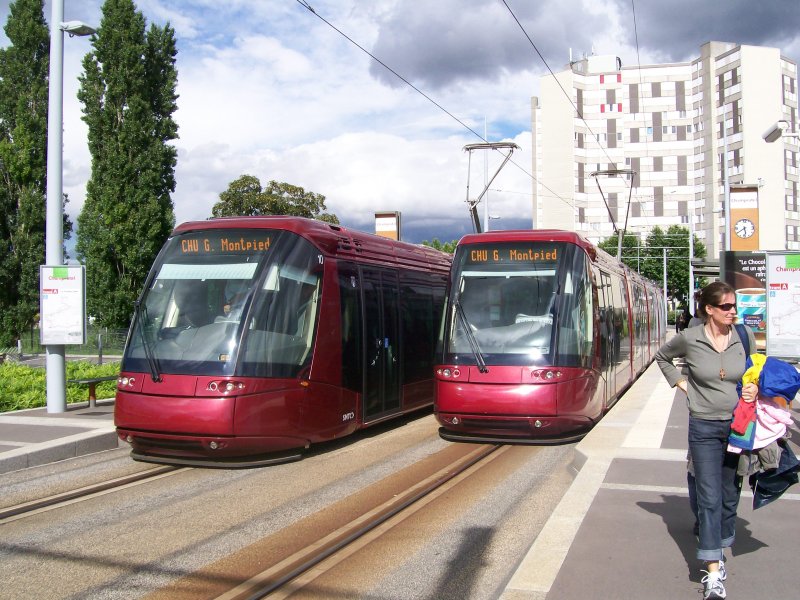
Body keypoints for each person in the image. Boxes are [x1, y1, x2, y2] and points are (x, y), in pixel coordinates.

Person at [654, 281, 757, 600]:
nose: (733, 312)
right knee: (710, 496)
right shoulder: (691, 338)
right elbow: (663, 358)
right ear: (709, 310)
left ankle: (721, 542)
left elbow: (752, 372)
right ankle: (713, 571)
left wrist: (752, 388)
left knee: (729, 494)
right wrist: (682, 385)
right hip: (703, 426)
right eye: (726, 307)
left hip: (737, 426)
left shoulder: (743, 336)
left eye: (734, 306)